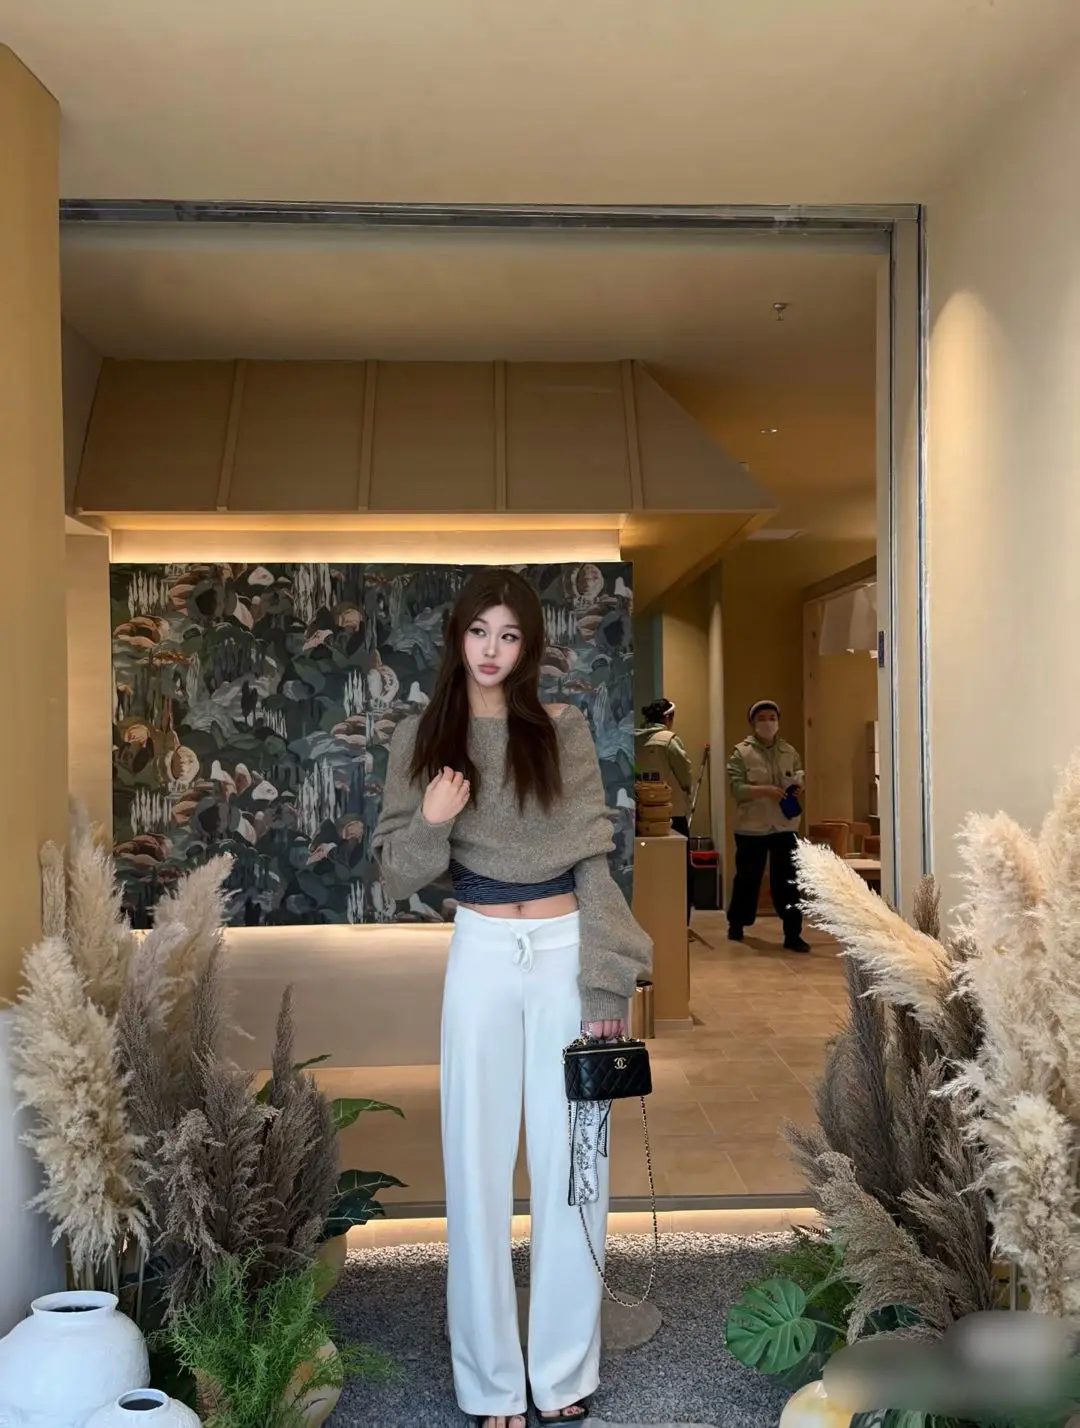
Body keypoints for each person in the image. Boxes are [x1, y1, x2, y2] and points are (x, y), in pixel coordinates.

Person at [372, 567, 653, 1428]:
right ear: (456, 638)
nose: (491, 650)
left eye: (509, 635)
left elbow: (593, 860)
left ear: (528, 648)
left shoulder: (560, 730)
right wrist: (432, 816)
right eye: (478, 632)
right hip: (483, 953)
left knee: (576, 1166)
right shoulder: (423, 736)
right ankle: (491, 1383)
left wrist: (605, 976)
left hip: (565, 951)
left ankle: (562, 1372)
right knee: (476, 1165)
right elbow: (395, 876)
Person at [726, 699, 811, 953]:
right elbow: (737, 789)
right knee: (747, 878)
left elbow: (798, 774)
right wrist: (764, 790)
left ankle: (793, 933)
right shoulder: (741, 753)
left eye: (772, 718)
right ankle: (737, 923)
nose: (768, 723)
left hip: (784, 825)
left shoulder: (789, 751)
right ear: (753, 723)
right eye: (762, 718)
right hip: (751, 826)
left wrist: (798, 785)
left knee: (788, 880)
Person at [635, 697, 694, 915]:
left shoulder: (634, 740)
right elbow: (685, 775)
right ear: (668, 718)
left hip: (641, 814)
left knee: (649, 870)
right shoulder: (669, 740)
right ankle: (679, 921)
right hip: (671, 813)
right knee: (678, 872)